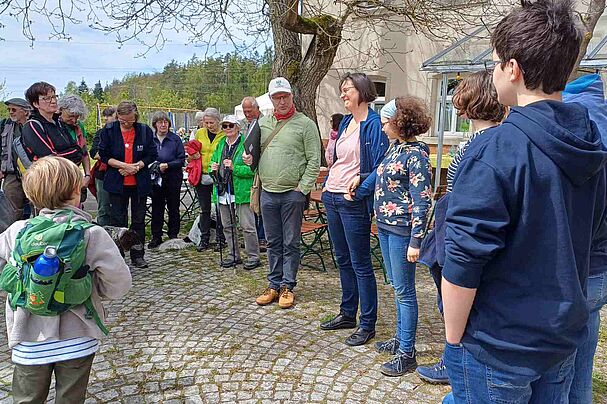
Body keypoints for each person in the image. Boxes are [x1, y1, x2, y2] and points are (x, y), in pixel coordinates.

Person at [441, 0, 607, 402]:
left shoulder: (495, 150)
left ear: (512, 69)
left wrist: (453, 337)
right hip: (560, 334)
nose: (495, 70)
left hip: (498, 343)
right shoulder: (591, 141)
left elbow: (464, 256)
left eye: (497, 62)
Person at [0, 156, 131, 403]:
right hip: (77, 336)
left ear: (30, 195)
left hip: (28, 338)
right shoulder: (91, 233)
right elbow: (120, 283)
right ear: (76, 192)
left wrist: (20, 287)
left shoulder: (17, 231)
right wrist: (92, 289)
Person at [416, 71, 507, 385]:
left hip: (460, 230)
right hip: (452, 224)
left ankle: (454, 362)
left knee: (459, 297)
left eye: (461, 98)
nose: (456, 105)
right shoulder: (477, 139)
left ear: (474, 100)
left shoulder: (485, 142)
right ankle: (452, 358)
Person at [319, 73, 388, 346]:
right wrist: (327, 187)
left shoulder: (373, 125)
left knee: (361, 263)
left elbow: (380, 167)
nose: (343, 95)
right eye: (342, 90)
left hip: (352, 201)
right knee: (342, 258)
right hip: (332, 196)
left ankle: (367, 323)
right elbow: (338, 160)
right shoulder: (346, 121)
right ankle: (347, 312)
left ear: (362, 91)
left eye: (347, 90)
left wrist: (359, 191)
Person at [243, 77, 321, 309]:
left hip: (291, 194)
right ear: (271, 99)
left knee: (291, 242)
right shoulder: (263, 123)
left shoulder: (305, 124)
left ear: (291, 96)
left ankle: (288, 285)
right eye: (277, 97)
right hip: (268, 192)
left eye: (285, 96)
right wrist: (250, 161)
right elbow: (254, 157)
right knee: (273, 241)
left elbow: (314, 160)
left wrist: (302, 188)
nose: (282, 101)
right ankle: (274, 284)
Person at [372, 97, 432, 376]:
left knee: (405, 291)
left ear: (400, 122)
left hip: (401, 231)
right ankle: (399, 338)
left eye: (386, 123)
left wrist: (415, 240)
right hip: (384, 227)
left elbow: (423, 200)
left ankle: (407, 353)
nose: (383, 128)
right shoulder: (395, 149)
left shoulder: (416, 154)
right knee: (397, 287)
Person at [563, 74, 607, 403]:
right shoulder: (601, 115)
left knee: (558, 377)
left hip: (580, 266)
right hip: (601, 266)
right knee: (582, 367)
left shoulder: (576, 125)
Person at [98, 101, 157, 268]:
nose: (125, 123)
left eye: (129, 120)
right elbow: (103, 154)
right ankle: (117, 255)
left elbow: (151, 154)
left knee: (138, 220)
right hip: (117, 182)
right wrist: (123, 166)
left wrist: (136, 167)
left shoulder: (144, 131)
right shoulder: (109, 131)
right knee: (118, 219)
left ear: (135, 116)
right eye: (122, 120)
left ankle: (138, 254)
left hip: (139, 183)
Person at [210, 115, 260, 269]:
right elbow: (212, 161)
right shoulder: (220, 144)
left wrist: (234, 168)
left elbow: (253, 170)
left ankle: (253, 256)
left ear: (237, 127)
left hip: (241, 191)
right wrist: (213, 168)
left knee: (247, 226)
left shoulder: (246, 144)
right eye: (224, 126)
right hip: (223, 190)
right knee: (227, 225)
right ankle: (234, 254)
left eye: (230, 126)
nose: (227, 129)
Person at [21, 82, 84, 166]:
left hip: (67, 175)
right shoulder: (32, 126)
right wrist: (72, 154)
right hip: (48, 177)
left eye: (54, 97)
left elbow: (78, 150)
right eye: (47, 98)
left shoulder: (59, 122)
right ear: (35, 104)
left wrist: (71, 154)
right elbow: (49, 159)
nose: (53, 101)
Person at [148, 111, 186, 248]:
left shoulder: (175, 139)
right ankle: (156, 236)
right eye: (160, 122)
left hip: (173, 177)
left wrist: (168, 165)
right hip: (156, 178)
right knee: (157, 207)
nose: (163, 125)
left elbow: (181, 159)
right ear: (155, 124)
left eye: (165, 122)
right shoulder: (150, 139)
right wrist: (156, 166)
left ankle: (173, 235)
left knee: (173, 207)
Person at [192, 107, 226, 252]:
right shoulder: (199, 133)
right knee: (204, 209)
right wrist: (192, 155)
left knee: (220, 208)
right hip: (202, 174)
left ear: (218, 121)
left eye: (211, 122)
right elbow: (192, 149)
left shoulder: (224, 134)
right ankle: (204, 238)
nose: (208, 125)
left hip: (219, 175)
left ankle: (221, 238)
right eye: (206, 122)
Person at [241, 96, 267, 252]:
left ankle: (262, 237)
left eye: (249, 111)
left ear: (257, 109)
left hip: (262, 170)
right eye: (245, 111)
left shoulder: (265, 123)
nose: (247, 114)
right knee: (253, 204)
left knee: (261, 204)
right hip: (248, 170)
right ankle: (254, 236)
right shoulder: (244, 124)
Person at [0, 98, 30, 223]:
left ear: (25, 111)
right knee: (11, 209)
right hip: (11, 173)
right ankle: (11, 236)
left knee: (39, 205)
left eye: (14, 109)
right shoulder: (4, 125)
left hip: (33, 173)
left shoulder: (34, 125)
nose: (10, 112)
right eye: (9, 110)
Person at [57, 95, 92, 198]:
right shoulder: (53, 125)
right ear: (61, 110)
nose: (74, 120)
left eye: (76, 117)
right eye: (70, 116)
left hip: (74, 173)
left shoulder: (79, 126)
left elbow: (84, 152)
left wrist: (87, 175)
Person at [89, 107, 116, 226]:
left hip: (120, 174)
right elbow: (94, 153)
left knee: (119, 208)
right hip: (102, 174)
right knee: (104, 207)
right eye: (105, 115)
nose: (106, 118)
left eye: (109, 115)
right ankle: (103, 235)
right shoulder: (100, 133)